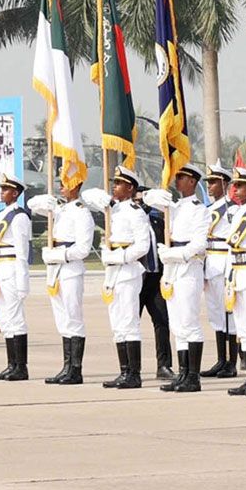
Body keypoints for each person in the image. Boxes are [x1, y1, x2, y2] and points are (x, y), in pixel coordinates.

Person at [85, 167, 151, 389]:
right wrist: (102, 198)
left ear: (130, 188)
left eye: (119, 183)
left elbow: (143, 246)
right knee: (117, 324)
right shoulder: (112, 210)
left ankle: (134, 373)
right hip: (112, 272)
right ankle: (124, 371)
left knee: (129, 322)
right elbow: (86, 195)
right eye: (114, 183)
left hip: (128, 270)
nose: (114, 187)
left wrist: (119, 257)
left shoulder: (135, 212)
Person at [154, 165, 212, 392]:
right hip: (172, 269)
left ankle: (194, 377)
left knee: (190, 323)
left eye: (181, 177)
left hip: (188, 267)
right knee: (177, 325)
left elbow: (199, 244)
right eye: (176, 177)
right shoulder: (174, 207)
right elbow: (149, 199)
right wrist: (157, 196)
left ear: (192, 182)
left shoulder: (200, 209)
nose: (177, 181)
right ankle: (183, 373)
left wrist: (174, 254)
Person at [34, 181, 94, 385]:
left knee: (73, 317)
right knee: (62, 319)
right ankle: (66, 366)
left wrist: (59, 255)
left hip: (70, 269)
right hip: (55, 269)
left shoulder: (81, 212)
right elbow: (33, 205)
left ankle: (75, 370)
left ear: (76, 187)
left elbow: (83, 249)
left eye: (65, 184)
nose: (61, 188)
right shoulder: (59, 209)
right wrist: (43, 200)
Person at [0, 173, 31, 381]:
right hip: (0, 269)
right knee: (5, 319)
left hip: (13, 269)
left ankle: (21, 367)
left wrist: (23, 282)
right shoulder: (1, 214)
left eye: (5, 189)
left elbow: (23, 252)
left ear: (15, 193)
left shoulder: (19, 216)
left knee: (16, 318)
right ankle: (10, 364)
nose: (2, 192)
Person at [224, 167, 246, 396]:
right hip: (239, 274)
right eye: (235, 185)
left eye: (241, 185)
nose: (236, 189)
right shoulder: (239, 212)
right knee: (244, 330)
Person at [202, 163, 239, 377]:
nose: (210, 186)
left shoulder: (231, 210)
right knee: (216, 314)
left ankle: (232, 363)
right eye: (208, 182)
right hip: (211, 262)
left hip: (224, 262)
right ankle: (221, 359)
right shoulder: (209, 209)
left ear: (224, 183)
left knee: (229, 314)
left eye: (214, 182)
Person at [137, 190, 175, 380]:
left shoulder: (159, 220)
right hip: (137, 278)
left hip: (155, 278)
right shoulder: (127, 219)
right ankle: (130, 369)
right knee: (130, 323)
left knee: (162, 321)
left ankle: (164, 365)